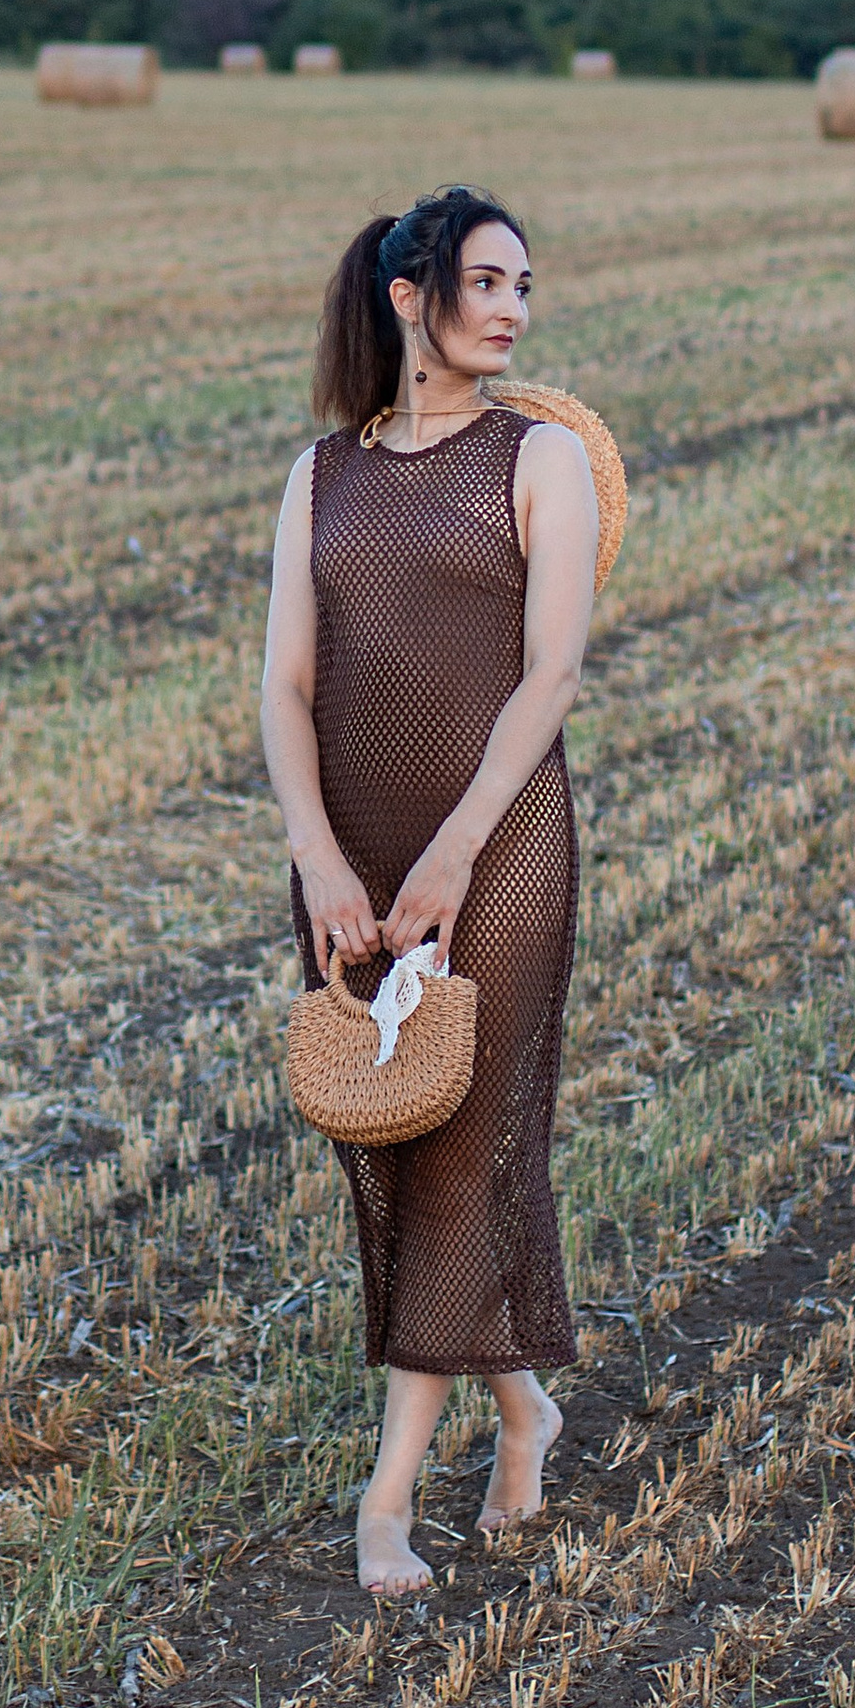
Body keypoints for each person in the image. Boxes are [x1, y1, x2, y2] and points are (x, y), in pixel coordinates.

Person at [260, 184, 599, 1595]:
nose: (514, 308)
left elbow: (551, 676)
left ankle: (386, 1498)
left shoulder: (544, 460)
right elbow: (284, 687)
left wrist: (456, 851)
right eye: (488, 282)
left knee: (464, 1147)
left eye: (525, 284)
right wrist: (319, 856)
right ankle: (522, 1406)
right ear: (413, 297)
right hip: (351, 855)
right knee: (384, 1146)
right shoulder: (321, 475)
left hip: (499, 848)